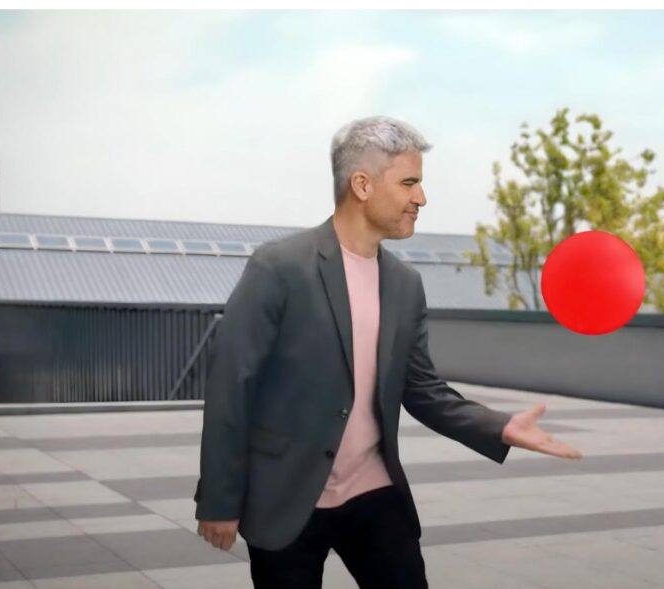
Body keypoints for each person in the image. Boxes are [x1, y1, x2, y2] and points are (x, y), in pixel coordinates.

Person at [194, 116, 583, 589]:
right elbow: (232, 385)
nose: (421, 198)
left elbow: (421, 388)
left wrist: (499, 426)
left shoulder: (404, 283)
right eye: (409, 183)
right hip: (287, 498)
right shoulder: (278, 268)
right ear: (362, 184)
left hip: (375, 494)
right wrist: (219, 501)